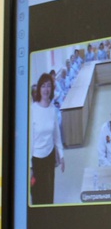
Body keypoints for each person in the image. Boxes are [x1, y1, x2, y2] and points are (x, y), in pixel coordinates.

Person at [30, 73, 64, 204]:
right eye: (43, 86)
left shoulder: (52, 109)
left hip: (49, 157)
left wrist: (61, 155)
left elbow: (56, 135)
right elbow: (29, 142)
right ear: (39, 89)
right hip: (36, 160)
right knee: (38, 194)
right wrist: (30, 167)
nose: (46, 89)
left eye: (49, 86)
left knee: (49, 192)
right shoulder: (32, 110)